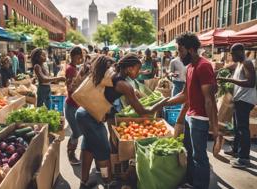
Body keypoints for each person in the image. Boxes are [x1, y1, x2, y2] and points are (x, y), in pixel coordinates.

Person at [75, 53, 167, 188]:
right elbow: (142, 111)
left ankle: (84, 182)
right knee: (104, 152)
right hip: (91, 118)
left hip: (83, 113)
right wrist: (162, 103)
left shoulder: (113, 74)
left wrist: (133, 94)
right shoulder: (124, 85)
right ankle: (108, 183)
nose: (139, 72)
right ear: (129, 68)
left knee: (88, 147)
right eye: (137, 68)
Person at [161, 33, 218, 189]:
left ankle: (200, 186)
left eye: (180, 50)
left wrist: (214, 126)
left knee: (199, 157)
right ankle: (192, 183)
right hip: (190, 116)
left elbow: (209, 99)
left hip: (200, 119)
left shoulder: (203, 66)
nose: (178, 55)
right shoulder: (190, 67)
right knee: (190, 152)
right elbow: (185, 95)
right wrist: (162, 103)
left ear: (191, 49)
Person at [218, 43, 257, 168]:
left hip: (245, 101)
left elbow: (251, 82)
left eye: (233, 53)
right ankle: (236, 151)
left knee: (243, 129)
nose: (231, 56)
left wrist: (229, 80)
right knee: (236, 128)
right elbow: (228, 67)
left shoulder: (247, 63)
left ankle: (244, 159)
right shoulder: (240, 63)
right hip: (239, 99)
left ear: (240, 52)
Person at [65, 47, 83, 165]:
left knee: (78, 131)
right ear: (76, 56)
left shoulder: (74, 68)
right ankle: (71, 155)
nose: (81, 58)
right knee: (76, 132)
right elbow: (70, 88)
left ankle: (71, 152)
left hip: (75, 105)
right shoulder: (71, 69)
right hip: (71, 106)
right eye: (80, 56)